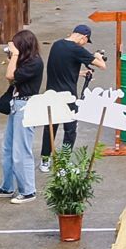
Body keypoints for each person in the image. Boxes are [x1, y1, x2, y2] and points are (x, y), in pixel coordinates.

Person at [40, 23, 106, 169]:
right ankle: (64, 161)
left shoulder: (56, 45)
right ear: (84, 37)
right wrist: (97, 56)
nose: (84, 44)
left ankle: (45, 160)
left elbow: (61, 68)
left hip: (51, 94)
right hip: (68, 97)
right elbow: (102, 66)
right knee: (70, 130)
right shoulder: (77, 49)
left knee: (50, 127)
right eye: (85, 42)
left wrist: (80, 73)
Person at [0, 28, 42, 203]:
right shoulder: (25, 62)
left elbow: (9, 75)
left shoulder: (35, 63)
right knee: (8, 148)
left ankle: (28, 190)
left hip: (26, 107)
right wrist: (14, 57)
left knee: (21, 150)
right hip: (16, 105)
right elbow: (13, 78)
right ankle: (7, 186)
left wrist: (15, 56)